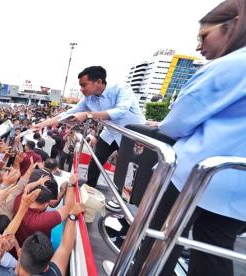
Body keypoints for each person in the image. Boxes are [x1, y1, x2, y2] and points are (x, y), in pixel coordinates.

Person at [126, 1, 246, 276]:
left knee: (156, 241)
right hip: (237, 189)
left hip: (192, 177)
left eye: (204, 36)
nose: (198, 47)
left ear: (232, 27)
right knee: (212, 252)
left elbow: (178, 122)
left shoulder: (229, 66)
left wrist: (164, 125)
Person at [33, 66, 145, 189]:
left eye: (84, 85)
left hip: (131, 134)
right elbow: (67, 113)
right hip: (110, 132)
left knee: (127, 168)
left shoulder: (121, 88)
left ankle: (119, 197)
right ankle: (89, 188)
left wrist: (88, 115)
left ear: (98, 82)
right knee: (96, 160)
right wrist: (43, 124)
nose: (81, 89)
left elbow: (120, 111)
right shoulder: (88, 99)